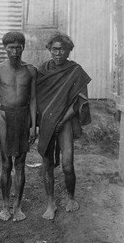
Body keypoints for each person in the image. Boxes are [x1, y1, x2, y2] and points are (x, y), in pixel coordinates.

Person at [37, 31, 91, 220]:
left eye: (62, 49)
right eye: (54, 49)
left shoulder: (75, 71)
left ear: (69, 51)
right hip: (46, 123)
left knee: (67, 164)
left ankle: (71, 198)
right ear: (49, 50)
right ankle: (50, 203)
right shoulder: (42, 70)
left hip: (66, 120)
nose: (58, 53)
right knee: (47, 163)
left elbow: (79, 102)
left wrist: (61, 120)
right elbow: (38, 99)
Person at [0, 31, 37, 222]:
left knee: (20, 164)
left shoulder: (31, 70)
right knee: (5, 164)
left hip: (23, 117)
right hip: (3, 117)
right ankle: (4, 205)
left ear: (23, 47)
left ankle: (17, 206)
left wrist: (33, 125)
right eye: (11, 47)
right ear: (5, 48)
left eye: (18, 46)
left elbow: (34, 99)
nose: (15, 51)